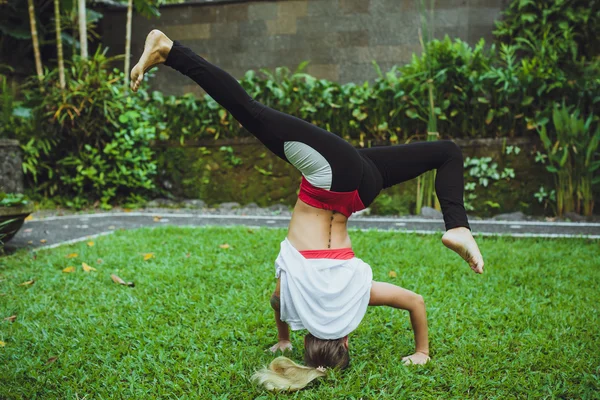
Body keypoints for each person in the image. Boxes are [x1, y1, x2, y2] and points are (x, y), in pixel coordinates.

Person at [131, 30, 485, 392]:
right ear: (306, 341)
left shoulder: (358, 296)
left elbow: (415, 302)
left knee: (446, 152)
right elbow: (276, 301)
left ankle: (458, 226)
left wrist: (421, 352)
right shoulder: (293, 296)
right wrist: (283, 340)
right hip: (329, 176)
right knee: (249, 111)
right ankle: (168, 50)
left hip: (362, 192)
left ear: (346, 340)